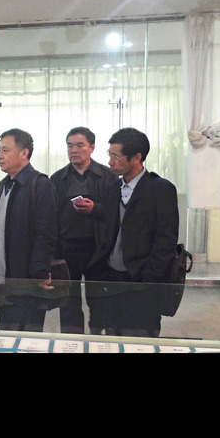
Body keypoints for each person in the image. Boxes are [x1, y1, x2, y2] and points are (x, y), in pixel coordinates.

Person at [93, 127, 179, 337]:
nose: (110, 162)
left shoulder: (160, 189)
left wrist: (149, 279)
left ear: (137, 158)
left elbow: (165, 241)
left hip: (142, 281)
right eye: (109, 155)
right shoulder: (113, 189)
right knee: (113, 336)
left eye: (116, 157)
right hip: (112, 279)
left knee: (141, 339)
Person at [0, 128, 58, 332]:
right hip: (1, 279)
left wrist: (39, 273)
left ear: (24, 153)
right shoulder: (3, 186)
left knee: (27, 337)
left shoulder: (40, 184)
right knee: (7, 334)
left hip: (26, 281)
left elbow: (46, 234)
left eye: (5, 150)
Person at [50, 126, 118, 333]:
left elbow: (116, 213)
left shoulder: (108, 177)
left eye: (80, 145)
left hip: (98, 250)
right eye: (70, 146)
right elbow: (50, 218)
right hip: (66, 250)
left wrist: (94, 209)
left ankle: (97, 339)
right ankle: (72, 343)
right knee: (68, 304)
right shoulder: (57, 179)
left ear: (92, 147)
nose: (74, 150)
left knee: (99, 302)